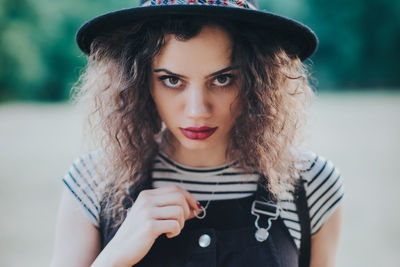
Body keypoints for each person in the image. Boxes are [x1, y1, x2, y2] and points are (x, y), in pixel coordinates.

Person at [50, 1, 344, 266]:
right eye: (172, 80)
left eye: (223, 79)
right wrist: (114, 256)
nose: (197, 110)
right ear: (138, 81)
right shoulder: (93, 182)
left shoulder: (310, 183)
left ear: (258, 81)